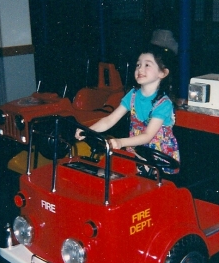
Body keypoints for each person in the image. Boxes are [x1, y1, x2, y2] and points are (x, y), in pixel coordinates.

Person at [75, 45, 180, 174]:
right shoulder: (133, 95)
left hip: (157, 157)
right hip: (137, 151)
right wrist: (89, 129)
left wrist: (120, 142)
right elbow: (109, 119)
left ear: (162, 73)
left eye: (147, 65)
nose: (140, 69)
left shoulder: (163, 104)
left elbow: (147, 136)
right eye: (138, 65)